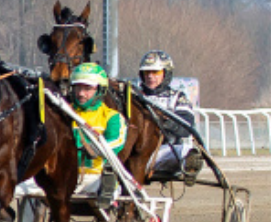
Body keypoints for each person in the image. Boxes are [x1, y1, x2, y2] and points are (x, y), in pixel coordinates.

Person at [136, 50, 204, 185]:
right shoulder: (134, 96)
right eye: (146, 73)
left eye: (155, 73)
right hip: (134, 153)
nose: (150, 76)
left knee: (186, 150)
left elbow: (186, 127)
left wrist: (164, 123)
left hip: (164, 152)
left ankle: (190, 165)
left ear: (166, 74)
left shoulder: (177, 97)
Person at [69, 62, 125, 209]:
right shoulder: (63, 112)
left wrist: (92, 147)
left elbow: (117, 141)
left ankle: (104, 217)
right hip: (64, 177)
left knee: (108, 182)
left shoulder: (112, 117)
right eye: (78, 87)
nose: (81, 93)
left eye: (87, 88)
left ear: (100, 90)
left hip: (96, 176)